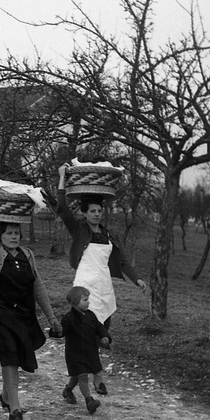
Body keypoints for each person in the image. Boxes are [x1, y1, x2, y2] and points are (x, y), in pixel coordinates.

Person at [0, 186, 60, 420]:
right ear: (0, 235)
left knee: (17, 357)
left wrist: (52, 318)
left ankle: (7, 396)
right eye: (8, 232)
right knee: (9, 354)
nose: (14, 236)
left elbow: (38, 287)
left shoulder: (27, 255)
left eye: (16, 232)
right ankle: (15, 407)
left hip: (24, 314)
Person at [56, 163, 146, 396]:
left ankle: (70, 388)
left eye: (99, 210)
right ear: (84, 213)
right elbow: (62, 208)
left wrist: (136, 279)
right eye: (92, 211)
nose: (96, 214)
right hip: (85, 286)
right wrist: (62, 178)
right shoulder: (79, 230)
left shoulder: (107, 235)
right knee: (85, 334)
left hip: (104, 287)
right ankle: (97, 378)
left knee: (99, 334)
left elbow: (122, 260)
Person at [60, 286, 111, 415]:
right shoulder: (68, 318)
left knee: (78, 375)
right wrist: (55, 331)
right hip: (74, 353)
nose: (88, 302)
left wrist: (105, 337)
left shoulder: (91, 315)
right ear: (75, 302)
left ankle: (68, 390)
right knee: (82, 376)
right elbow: (61, 332)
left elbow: (99, 327)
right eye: (85, 300)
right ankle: (89, 401)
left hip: (90, 351)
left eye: (88, 299)